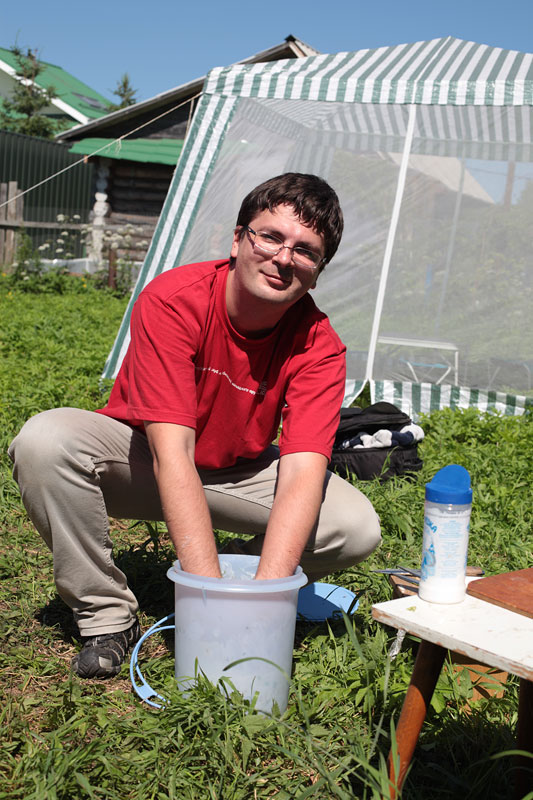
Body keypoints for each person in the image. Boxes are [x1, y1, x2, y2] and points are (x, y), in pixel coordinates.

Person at [9, 173, 381, 680]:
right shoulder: (174, 299)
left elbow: (301, 473)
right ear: (238, 239)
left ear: (317, 272)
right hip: (143, 458)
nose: (283, 258)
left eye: (305, 251)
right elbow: (172, 454)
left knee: (355, 527)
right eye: (270, 237)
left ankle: (241, 574)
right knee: (45, 441)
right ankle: (107, 615)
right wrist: (207, 602)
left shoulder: (320, 346)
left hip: (238, 473)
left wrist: (256, 604)